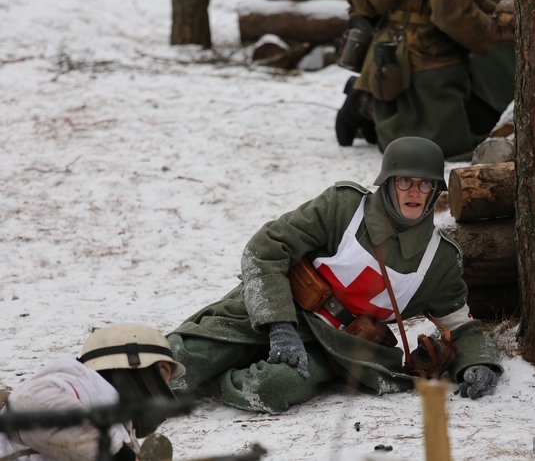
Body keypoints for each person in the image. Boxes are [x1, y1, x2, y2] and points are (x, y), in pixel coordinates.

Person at [167, 136, 502, 415]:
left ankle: (212, 383)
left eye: (424, 184)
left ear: (434, 192)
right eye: (404, 181)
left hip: (337, 348)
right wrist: (280, 326)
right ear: (388, 183)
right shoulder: (343, 207)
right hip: (282, 307)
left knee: (270, 388)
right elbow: (265, 248)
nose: (413, 192)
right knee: (178, 361)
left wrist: (477, 364)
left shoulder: (439, 260)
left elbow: (461, 325)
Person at [334, 0, 515, 162]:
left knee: (497, 122)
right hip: (424, 51)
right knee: (434, 150)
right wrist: (501, 34)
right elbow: (451, 13)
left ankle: (375, 98)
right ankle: (369, 103)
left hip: (412, 44)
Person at [0, 324, 186, 461]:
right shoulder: (71, 385)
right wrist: (120, 455)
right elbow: (28, 404)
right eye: (164, 373)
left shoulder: (111, 418)